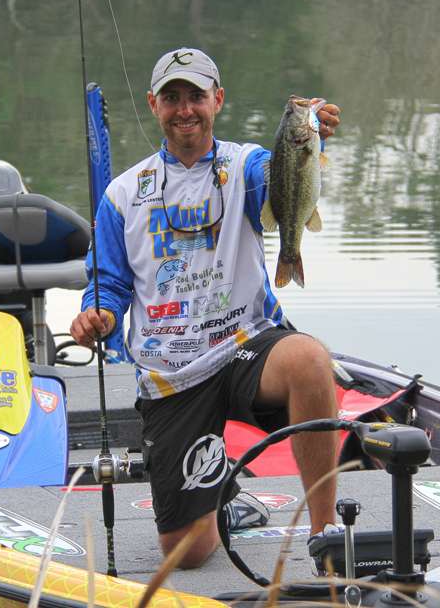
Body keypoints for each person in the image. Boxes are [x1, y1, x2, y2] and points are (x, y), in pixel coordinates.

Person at [70, 47, 341, 569]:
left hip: (244, 344)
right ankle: (223, 500)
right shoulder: (122, 194)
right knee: (186, 553)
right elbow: (108, 284)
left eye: (195, 96)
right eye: (172, 98)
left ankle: (325, 534)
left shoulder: (245, 165)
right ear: (154, 105)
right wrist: (98, 314)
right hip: (172, 373)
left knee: (310, 359)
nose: (185, 109)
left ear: (218, 100)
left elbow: (281, 176)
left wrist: (314, 133)